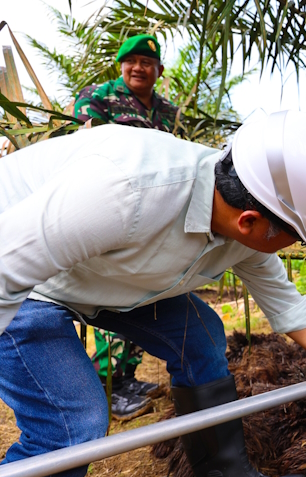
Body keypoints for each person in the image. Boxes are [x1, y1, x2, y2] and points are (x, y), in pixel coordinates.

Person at [0, 109, 306, 477]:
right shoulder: (125, 189)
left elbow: (279, 296)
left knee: (199, 336)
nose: (295, 246)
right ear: (250, 222)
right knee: (72, 423)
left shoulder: (246, 216)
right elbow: (6, 266)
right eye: (297, 235)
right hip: (21, 278)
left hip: (99, 276)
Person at [73, 34, 180, 420]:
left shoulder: (167, 111)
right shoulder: (97, 96)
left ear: (159, 71)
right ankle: (108, 387)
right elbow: (92, 147)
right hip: (113, 208)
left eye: (147, 62)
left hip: (153, 213)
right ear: (121, 65)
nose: (139, 68)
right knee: (113, 295)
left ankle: (127, 375)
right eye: (131, 60)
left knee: (143, 291)